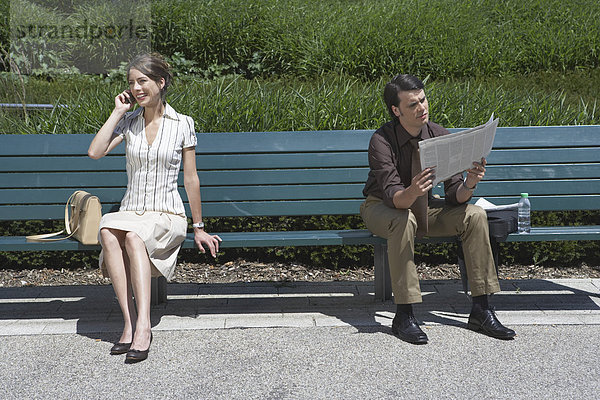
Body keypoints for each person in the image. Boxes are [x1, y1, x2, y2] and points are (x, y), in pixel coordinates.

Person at [360, 74, 515, 344]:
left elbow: (456, 196)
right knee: (403, 219)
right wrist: (413, 191)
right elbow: (394, 197)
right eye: (413, 105)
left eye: (423, 100)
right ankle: (404, 314)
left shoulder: (439, 134)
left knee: (475, 215)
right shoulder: (381, 141)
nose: (422, 108)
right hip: (382, 208)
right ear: (396, 111)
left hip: (424, 206)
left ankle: (482, 309)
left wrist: (470, 183)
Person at [88, 53, 222, 363]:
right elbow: (95, 152)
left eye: (142, 81)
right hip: (132, 209)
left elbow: (190, 179)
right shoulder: (129, 122)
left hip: (166, 214)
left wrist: (198, 227)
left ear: (160, 83)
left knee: (133, 237)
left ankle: (144, 327)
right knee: (108, 230)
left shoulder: (182, 124)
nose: (136, 88)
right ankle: (128, 322)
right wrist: (117, 111)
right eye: (132, 83)